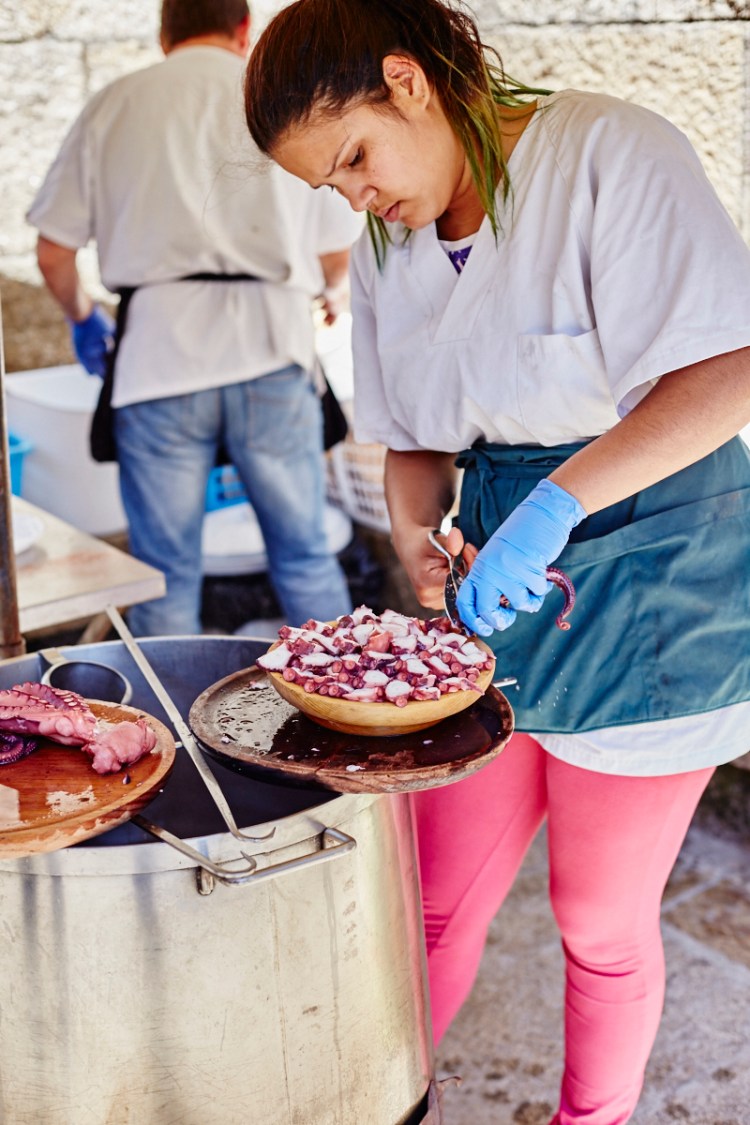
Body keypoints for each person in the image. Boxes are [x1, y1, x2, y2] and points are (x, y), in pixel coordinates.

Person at [242, 1, 750, 1122]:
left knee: (598, 920)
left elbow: (727, 371)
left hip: (659, 573)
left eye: (357, 159)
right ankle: (385, 1100)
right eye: (333, 188)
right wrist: (419, 534)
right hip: (503, 600)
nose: (358, 199)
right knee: (426, 899)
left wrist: (555, 503)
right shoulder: (390, 245)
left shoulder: (609, 152)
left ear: (407, 80)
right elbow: (415, 441)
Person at [27, 0, 363, 637]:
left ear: (164, 35)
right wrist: (332, 292)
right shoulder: (277, 98)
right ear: (244, 31)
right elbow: (335, 245)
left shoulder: (115, 102)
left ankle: (161, 731)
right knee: (303, 553)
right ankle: (348, 712)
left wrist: (82, 317)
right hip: (272, 345)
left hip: (158, 354)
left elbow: (53, 253)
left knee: (164, 569)